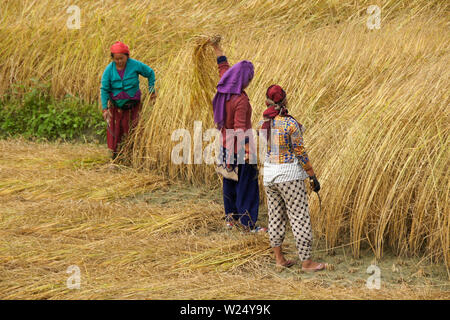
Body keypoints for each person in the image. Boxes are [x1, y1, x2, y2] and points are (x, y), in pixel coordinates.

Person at [258, 84, 326, 271]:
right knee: (299, 217)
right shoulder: (290, 124)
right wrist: (312, 176)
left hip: (269, 176)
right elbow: (300, 153)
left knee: (275, 217)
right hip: (289, 176)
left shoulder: (264, 123)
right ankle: (307, 262)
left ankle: (279, 259)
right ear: (285, 100)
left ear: (267, 102)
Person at [210, 41, 266, 233]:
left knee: (229, 180)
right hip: (239, 148)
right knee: (247, 186)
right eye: (249, 80)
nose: (248, 83)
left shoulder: (224, 87)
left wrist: (217, 49)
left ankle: (230, 219)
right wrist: (249, 152)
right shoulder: (240, 99)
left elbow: (223, 67)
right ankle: (248, 224)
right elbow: (240, 129)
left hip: (225, 146)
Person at [100, 41, 156, 160]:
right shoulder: (109, 70)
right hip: (116, 107)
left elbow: (150, 73)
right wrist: (105, 108)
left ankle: (134, 154)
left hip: (133, 106)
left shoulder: (135, 65)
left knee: (133, 128)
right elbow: (104, 89)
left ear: (127, 56)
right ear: (113, 58)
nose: (119, 61)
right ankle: (114, 157)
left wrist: (152, 92)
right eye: (116, 59)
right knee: (115, 130)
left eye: (122, 58)